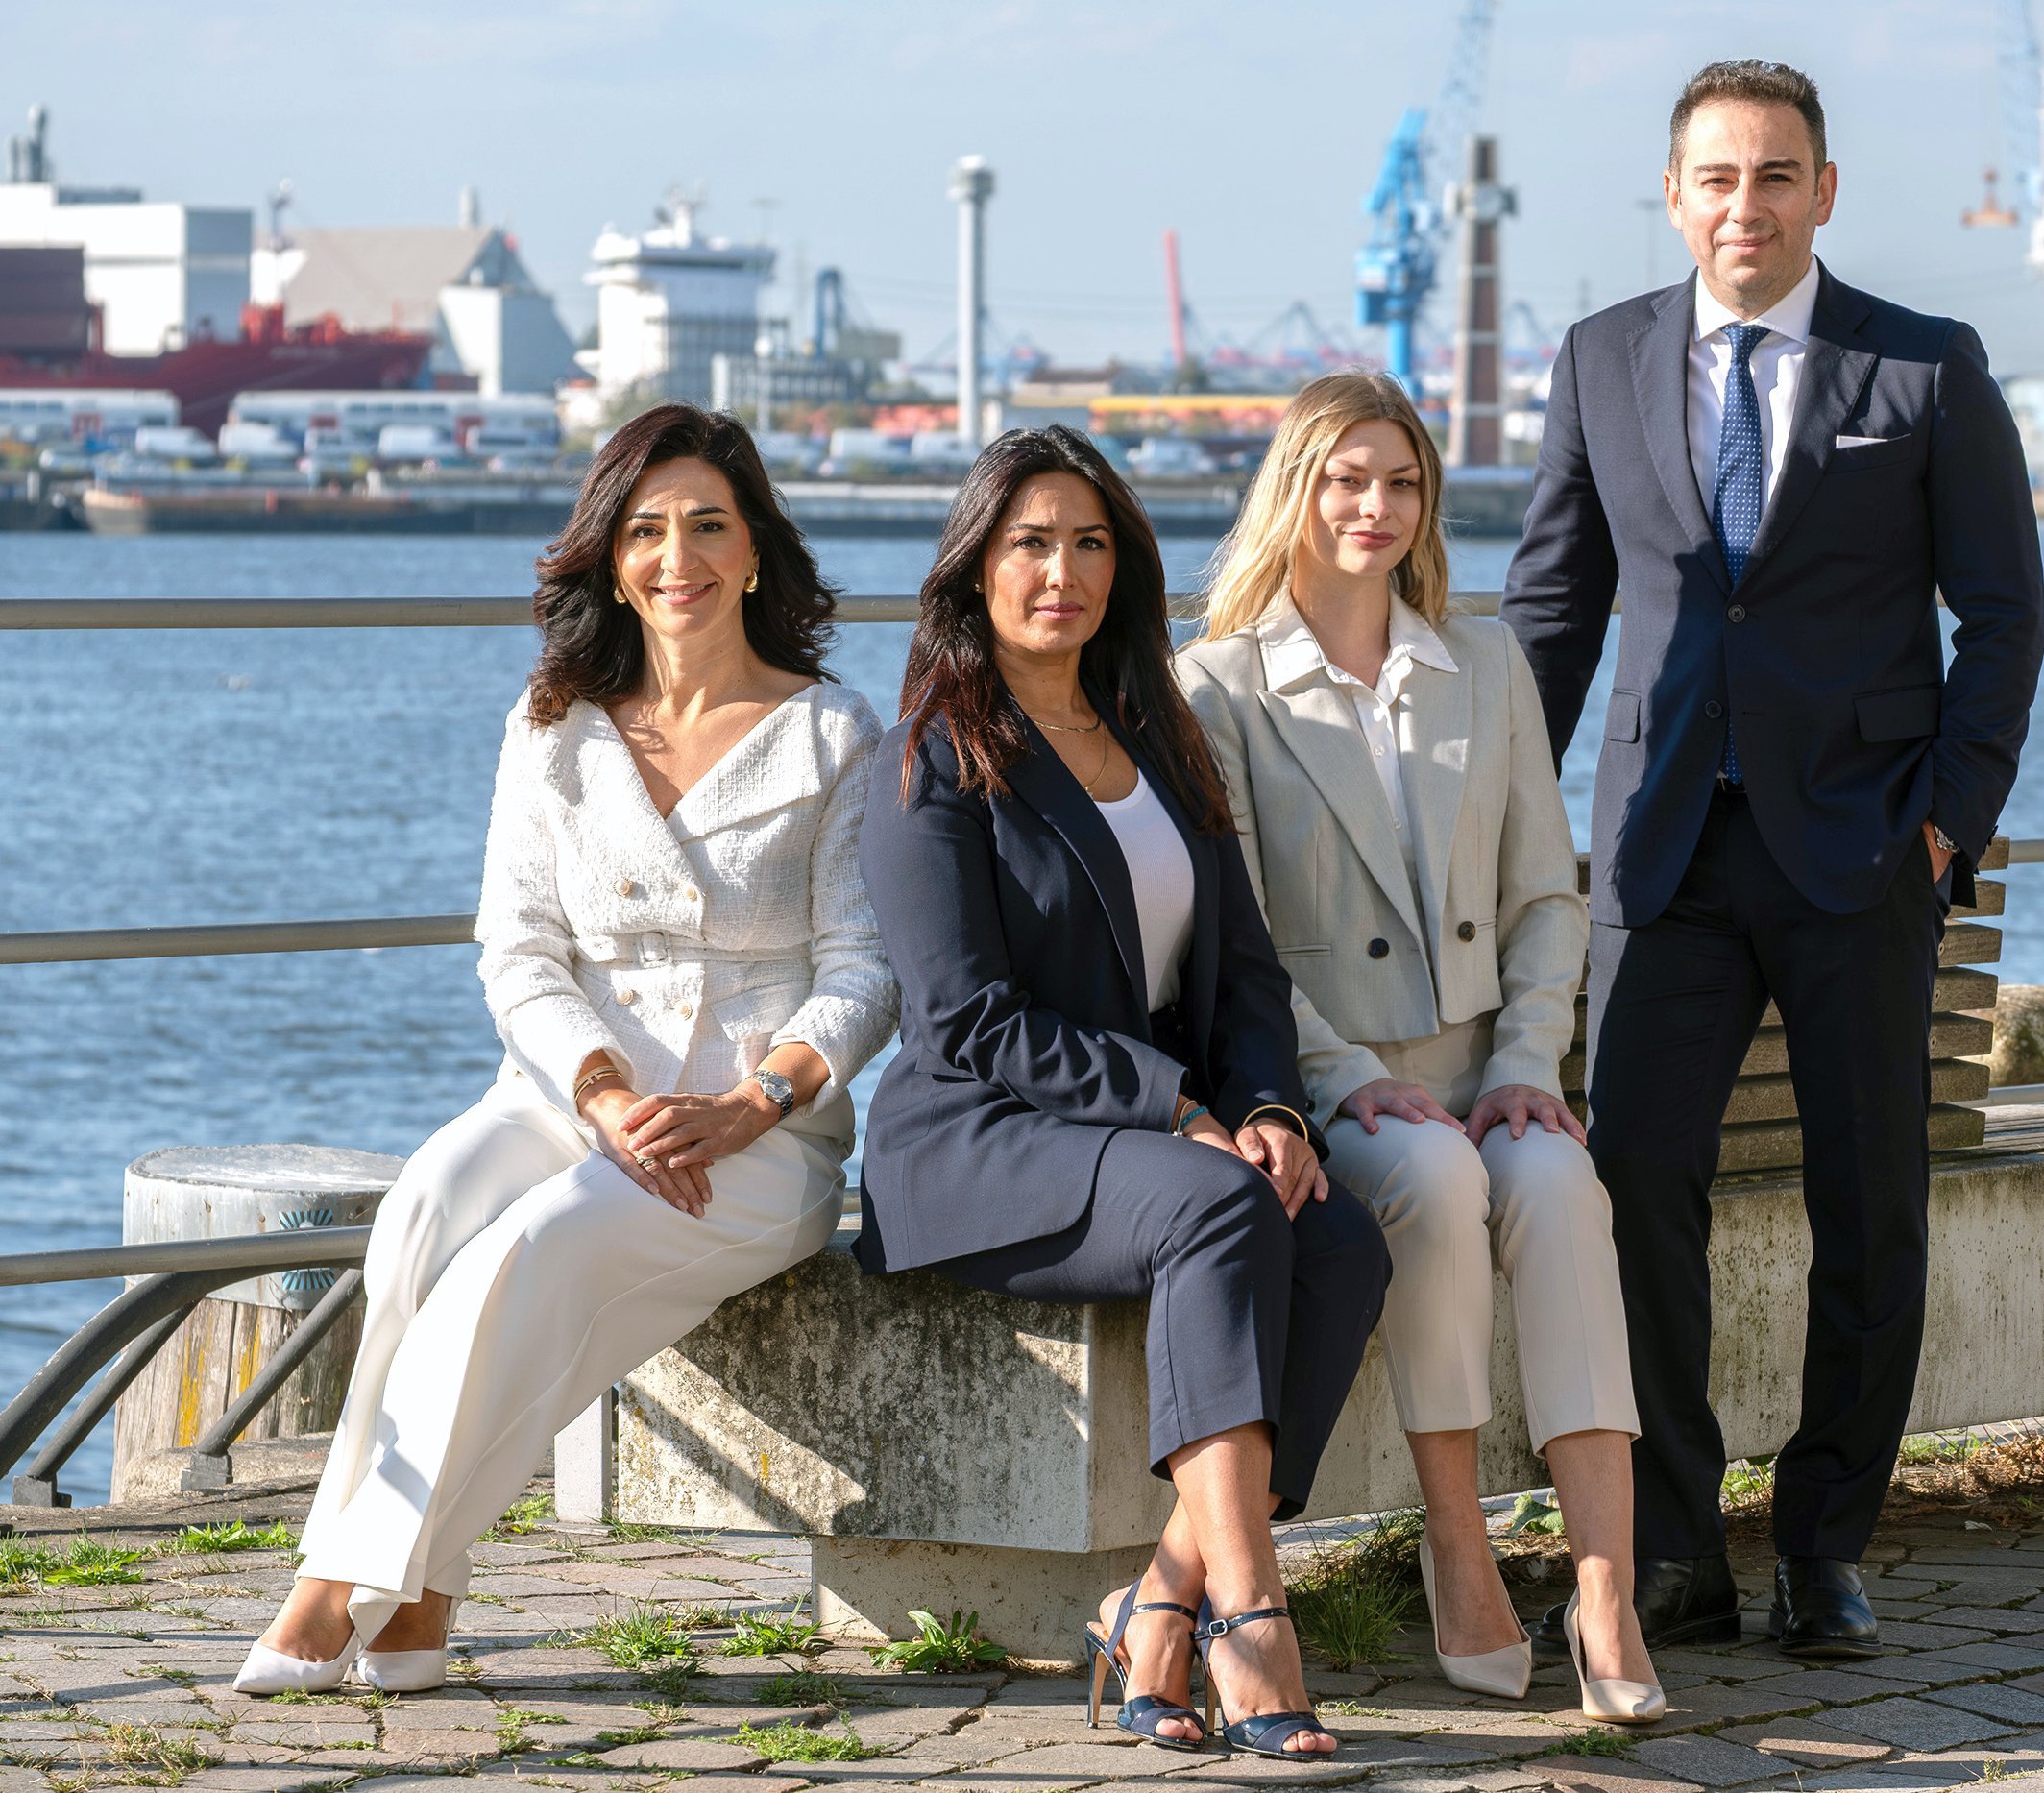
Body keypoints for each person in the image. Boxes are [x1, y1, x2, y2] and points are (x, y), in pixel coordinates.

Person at [1501, 60, 2044, 1658]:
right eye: (1717, 178)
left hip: (1859, 851)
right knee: (1628, 1193)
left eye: (1777, 175)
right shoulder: (1600, 359)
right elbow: (1551, 610)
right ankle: (1671, 1550)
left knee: (1868, 1207)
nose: (1746, 206)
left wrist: (1948, 817)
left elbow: (2002, 616)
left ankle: (1825, 1543)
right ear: (1673, 196)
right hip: (1660, 856)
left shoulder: (1924, 368)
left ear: (1823, 192)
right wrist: (1500, 814)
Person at [236, 404, 897, 1695]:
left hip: (754, 1138)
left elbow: (864, 967)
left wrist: (756, 1103)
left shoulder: (835, 734)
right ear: (608, 556)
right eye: (645, 529)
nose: (678, 556)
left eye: (710, 524)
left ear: (756, 549)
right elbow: (518, 950)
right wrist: (599, 1093)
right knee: (426, 1210)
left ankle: (336, 1589)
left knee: (535, 1249)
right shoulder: (554, 724)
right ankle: (416, 1604)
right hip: (566, 1096)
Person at [857, 425, 1388, 1760]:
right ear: (975, 567)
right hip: (981, 1141)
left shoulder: (1162, 732)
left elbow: (1247, 975)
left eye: (1089, 543)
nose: (1061, 572)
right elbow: (963, 1016)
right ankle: (1252, 1621)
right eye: (1029, 543)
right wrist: (1176, 1111)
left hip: (1162, 1128)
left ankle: (1158, 1600)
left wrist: (1267, 1109)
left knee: (1337, 1239)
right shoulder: (932, 756)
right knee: (1220, 1210)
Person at [1177, 372, 1660, 1721]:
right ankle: (1459, 1543)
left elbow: (1543, 898)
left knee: (1562, 1191)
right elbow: (1241, 939)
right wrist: (1343, 1078)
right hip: (1334, 1079)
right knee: (1436, 1186)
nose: (1373, 508)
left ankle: (1605, 1583)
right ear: (1294, 490)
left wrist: (1523, 1065)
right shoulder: (1214, 687)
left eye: (1399, 482)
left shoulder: (1486, 662)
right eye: (1344, 478)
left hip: (1480, 1069)